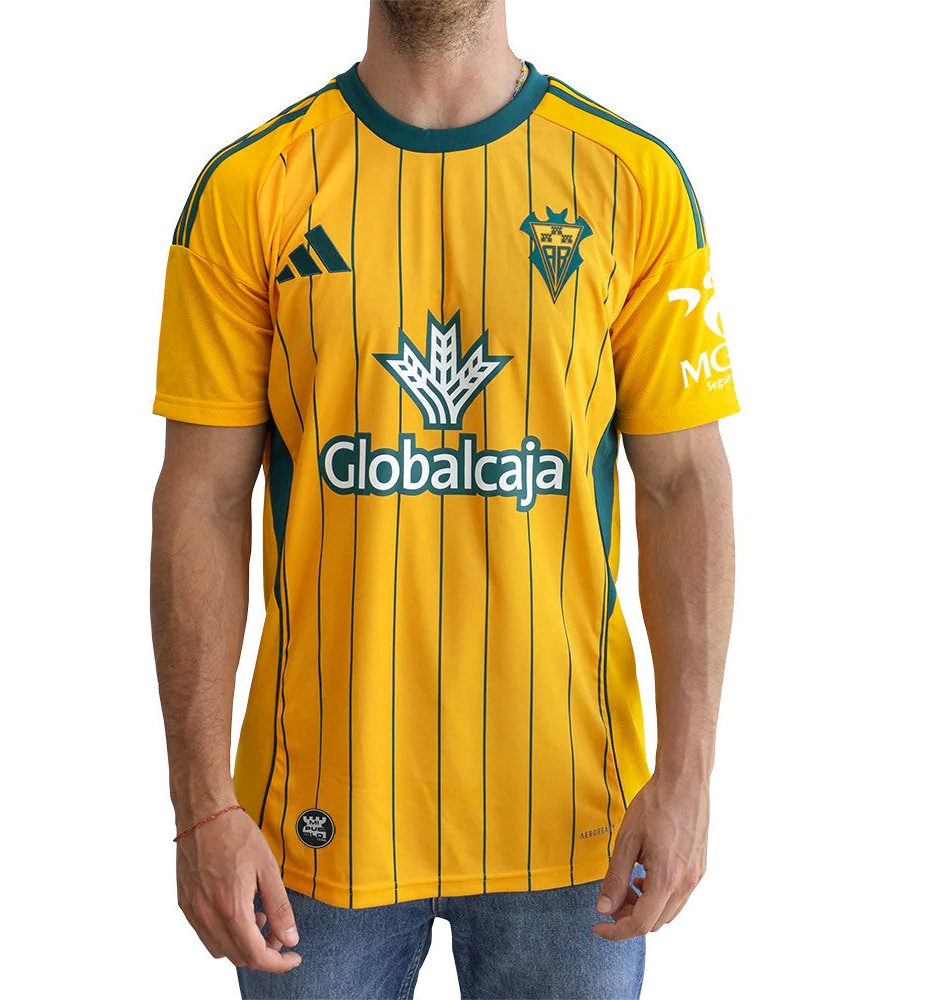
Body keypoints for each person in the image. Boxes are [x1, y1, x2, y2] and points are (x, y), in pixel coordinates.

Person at [149, 1, 739, 996]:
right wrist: (202, 803)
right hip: (314, 830)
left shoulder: (631, 181)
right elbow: (200, 497)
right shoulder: (252, 187)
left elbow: (684, 480)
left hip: (574, 827)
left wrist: (688, 774)